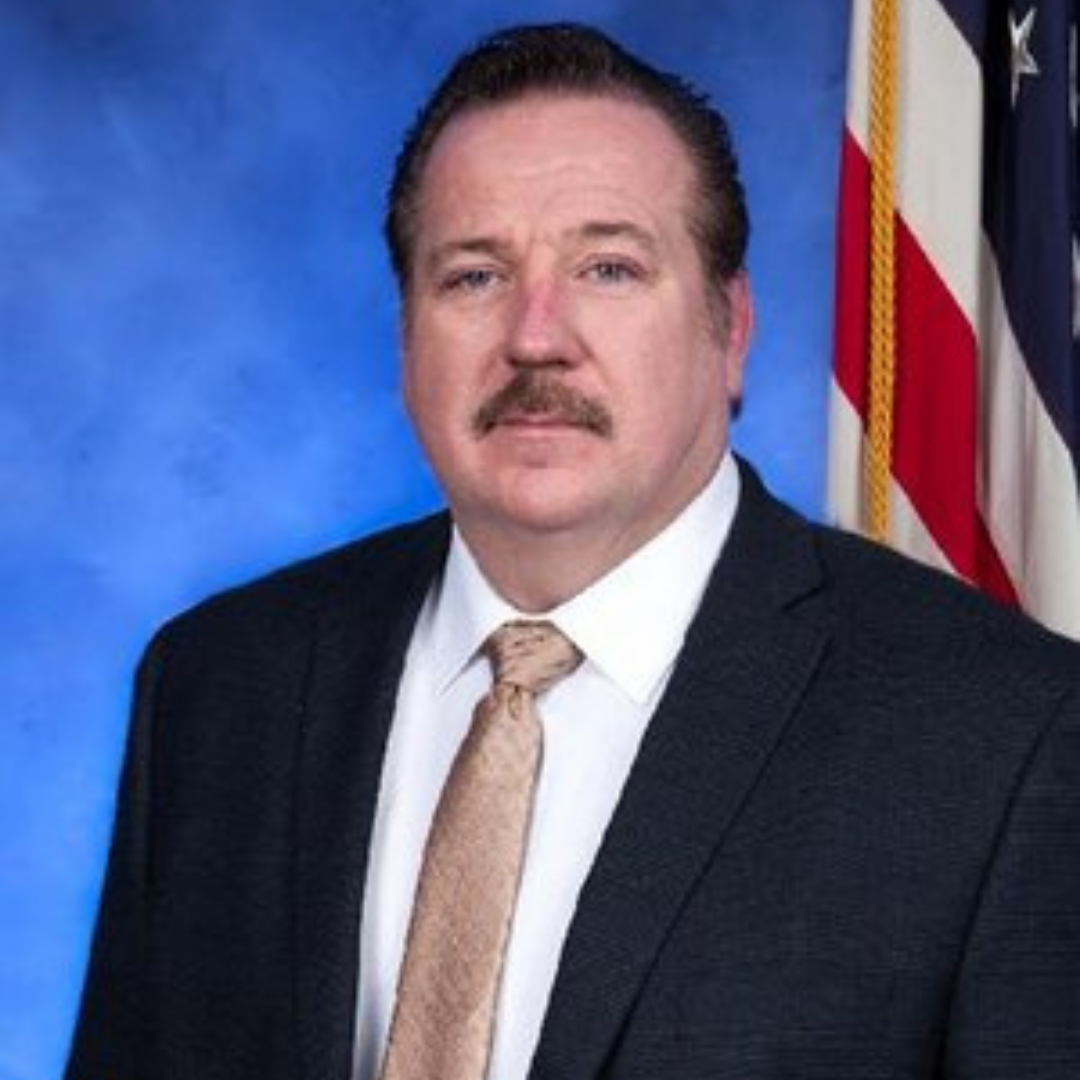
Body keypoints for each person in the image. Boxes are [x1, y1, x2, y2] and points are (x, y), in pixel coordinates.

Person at [66, 22, 1080, 1080]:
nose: (537, 336)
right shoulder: (219, 687)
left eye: (608, 267)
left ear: (730, 331)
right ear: (408, 336)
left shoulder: (1004, 738)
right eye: (473, 276)